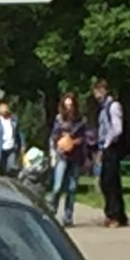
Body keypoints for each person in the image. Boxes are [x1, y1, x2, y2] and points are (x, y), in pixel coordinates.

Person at [48, 93, 90, 227]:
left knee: (72, 188)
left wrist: (74, 142)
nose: (69, 108)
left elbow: (85, 137)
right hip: (62, 156)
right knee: (58, 186)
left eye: (71, 105)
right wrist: (59, 143)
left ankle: (68, 217)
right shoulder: (59, 119)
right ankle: (51, 211)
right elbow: (54, 136)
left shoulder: (80, 121)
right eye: (66, 105)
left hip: (75, 156)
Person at [93, 79, 129, 227]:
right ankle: (118, 214)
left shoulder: (113, 106)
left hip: (112, 147)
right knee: (108, 182)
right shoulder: (103, 109)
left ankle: (114, 215)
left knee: (110, 182)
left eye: (97, 91)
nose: (95, 95)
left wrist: (107, 144)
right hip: (104, 147)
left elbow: (117, 128)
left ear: (104, 90)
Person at [0, 100, 24, 176]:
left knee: (11, 166)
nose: (4, 110)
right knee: (1, 168)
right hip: (0, 148)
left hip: (11, 147)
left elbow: (19, 132)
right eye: (2, 108)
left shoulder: (13, 119)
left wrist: (22, 144)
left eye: (5, 107)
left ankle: (13, 177)